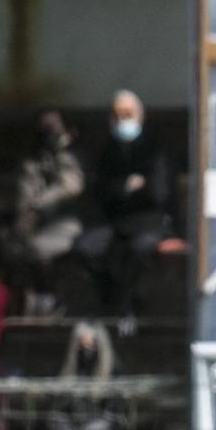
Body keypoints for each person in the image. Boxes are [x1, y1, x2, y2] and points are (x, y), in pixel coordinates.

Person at [76, 89, 173, 334]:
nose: (123, 120)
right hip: (117, 222)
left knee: (137, 250)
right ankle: (110, 299)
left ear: (140, 116)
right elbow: (100, 191)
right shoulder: (109, 150)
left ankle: (128, 305)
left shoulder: (154, 149)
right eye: (117, 115)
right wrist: (127, 186)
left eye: (128, 114)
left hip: (150, 223)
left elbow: (158, 193)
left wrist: (125, 189)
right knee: (86, 248)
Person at [0, 108, 87, 316]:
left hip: (70, 221)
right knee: (10, 241)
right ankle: (30, 300)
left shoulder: (73, 155)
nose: (49, 132)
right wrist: (25, 219)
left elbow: (71, 187)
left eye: (54, 125)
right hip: (37, 222)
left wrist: (39, 203)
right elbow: (25, 192)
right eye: (44, 126)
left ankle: (49, 299)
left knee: (38, 247)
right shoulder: (34, 158)